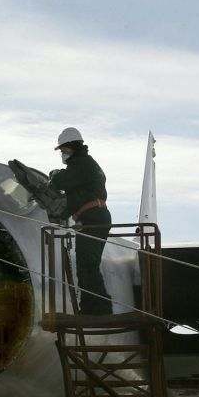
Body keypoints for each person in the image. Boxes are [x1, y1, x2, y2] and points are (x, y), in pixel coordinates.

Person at [48, 127, 113, 315]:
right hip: (92, 216)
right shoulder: (85, 165)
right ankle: (89, 307)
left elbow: (60, 182)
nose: (62, 154)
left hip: (94, 217)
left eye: (63, 150)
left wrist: (54, 174)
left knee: (88, 264)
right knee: (85, 265)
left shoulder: (83, 164)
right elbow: (75, 199)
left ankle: (100, 307)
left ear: (71, 148)